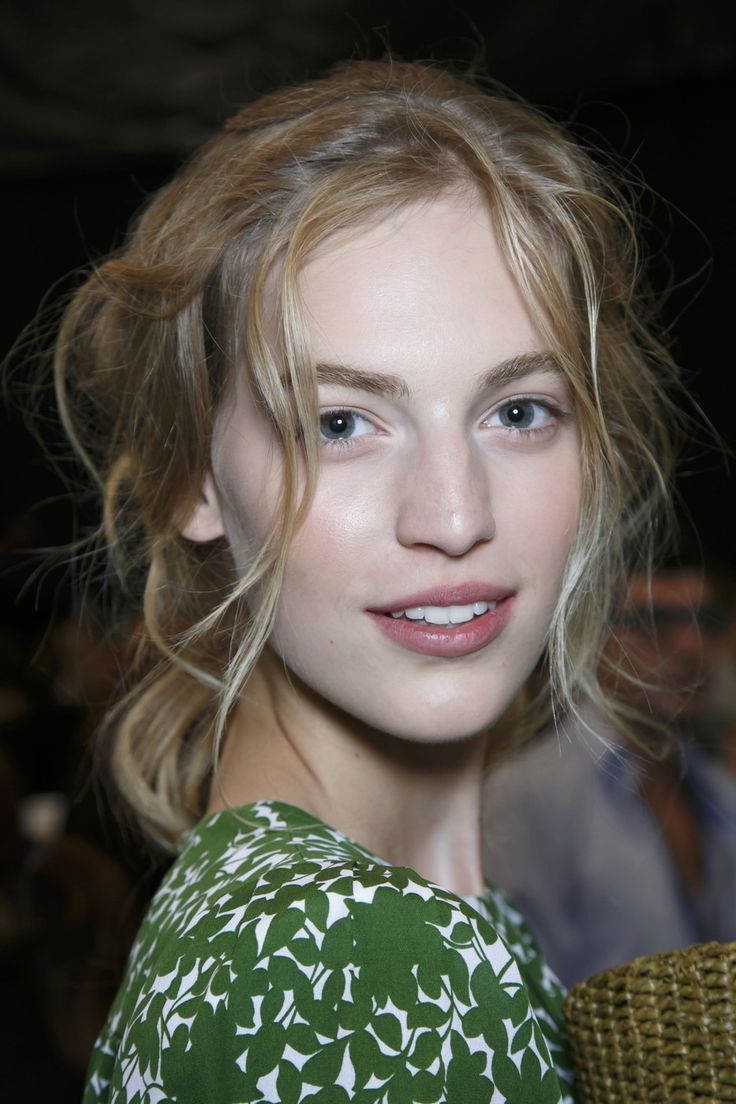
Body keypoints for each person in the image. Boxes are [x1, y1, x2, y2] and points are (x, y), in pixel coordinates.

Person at [47, 58, 681, 1103]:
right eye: (342, 423)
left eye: (517, 411)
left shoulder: (284, 923)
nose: (454, 516)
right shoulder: (362, 972)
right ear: (189, 478)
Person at [482, 567, 736, 988]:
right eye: (652, 622)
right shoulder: (530, 793)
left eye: (707, 623)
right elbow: (512, 985)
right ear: (594, 639)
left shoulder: (716, 789)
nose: (691, 646)